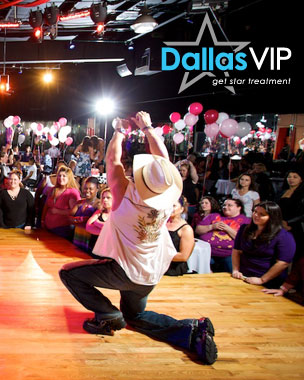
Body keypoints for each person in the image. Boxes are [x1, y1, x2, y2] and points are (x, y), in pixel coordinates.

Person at [59, 112, 217, 365]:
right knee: (135, 316)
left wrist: (120, 131)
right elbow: (163, 162)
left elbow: (112, 159)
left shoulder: (124, 197)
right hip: (152, 273)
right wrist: (148, 128)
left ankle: (108, 315)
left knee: (68, 273)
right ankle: (191, 332)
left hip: (124, 270)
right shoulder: (169, 195)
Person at [232, 201, 296, 289]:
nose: (256, 215)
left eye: (262, 214)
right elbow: (236, 251)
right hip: (243, 275)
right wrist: (236, 270)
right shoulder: (244, 229)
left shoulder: (284, 236)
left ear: (272, 217)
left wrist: (262, 280)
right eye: (255, 212)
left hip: (268, 279)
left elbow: (283, 263)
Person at [196, 198, 250, 273]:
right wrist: (212, 226)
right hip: (207, 252)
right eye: (224, 205)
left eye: (229, 205)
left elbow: (243, 239)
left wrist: (227, 229)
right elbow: (198, 230)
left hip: (229, 254)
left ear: (239, 207)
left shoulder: (245, 221)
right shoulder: (213, 216)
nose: (225, 207)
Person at [41, 166, 80, 239]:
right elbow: (46, 206)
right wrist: (42, 221)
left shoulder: (72, 192)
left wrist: (57, 211)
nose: (61, 178)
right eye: (59, 175)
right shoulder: (53, 189)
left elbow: (74, 212)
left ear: (69, 178)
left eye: (64, 176)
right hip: (47, 227)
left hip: (62, 229)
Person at [276, 169, 304, 264]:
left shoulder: (302, 193)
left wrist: (288, 222)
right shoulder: (282, 191)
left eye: (295, 177)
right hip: (278, 223)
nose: (291, 179)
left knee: (295, 252)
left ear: (301, 180)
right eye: (289, 177)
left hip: (294, 225)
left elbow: (302, 213)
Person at [165, 197, 195, 276]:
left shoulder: (186, 229)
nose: (170, 208)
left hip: (173, 270)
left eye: (174, 206)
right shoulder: (161, 223)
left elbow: (183, 256)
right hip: (158, 268)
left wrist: (159, 256)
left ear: (182, 209)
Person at [71, 177, 99, 252]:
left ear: (97, 190)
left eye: (91, 189)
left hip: (90, 240)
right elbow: (69, 218)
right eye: (85, 188)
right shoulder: (79, 202)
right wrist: (81, 220)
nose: (87, 191)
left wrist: (77, 220)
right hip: (77, 237)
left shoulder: (99, 204)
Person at [85, 188, 112, 255]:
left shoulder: (117, 214)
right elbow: (88, 227)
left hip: (108, 251)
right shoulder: (99, 212)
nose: (105, 200)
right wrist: (105, 232)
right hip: (94, 248)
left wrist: (97, 223)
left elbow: (112, 230)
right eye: (103, 198)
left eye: (108, 198)